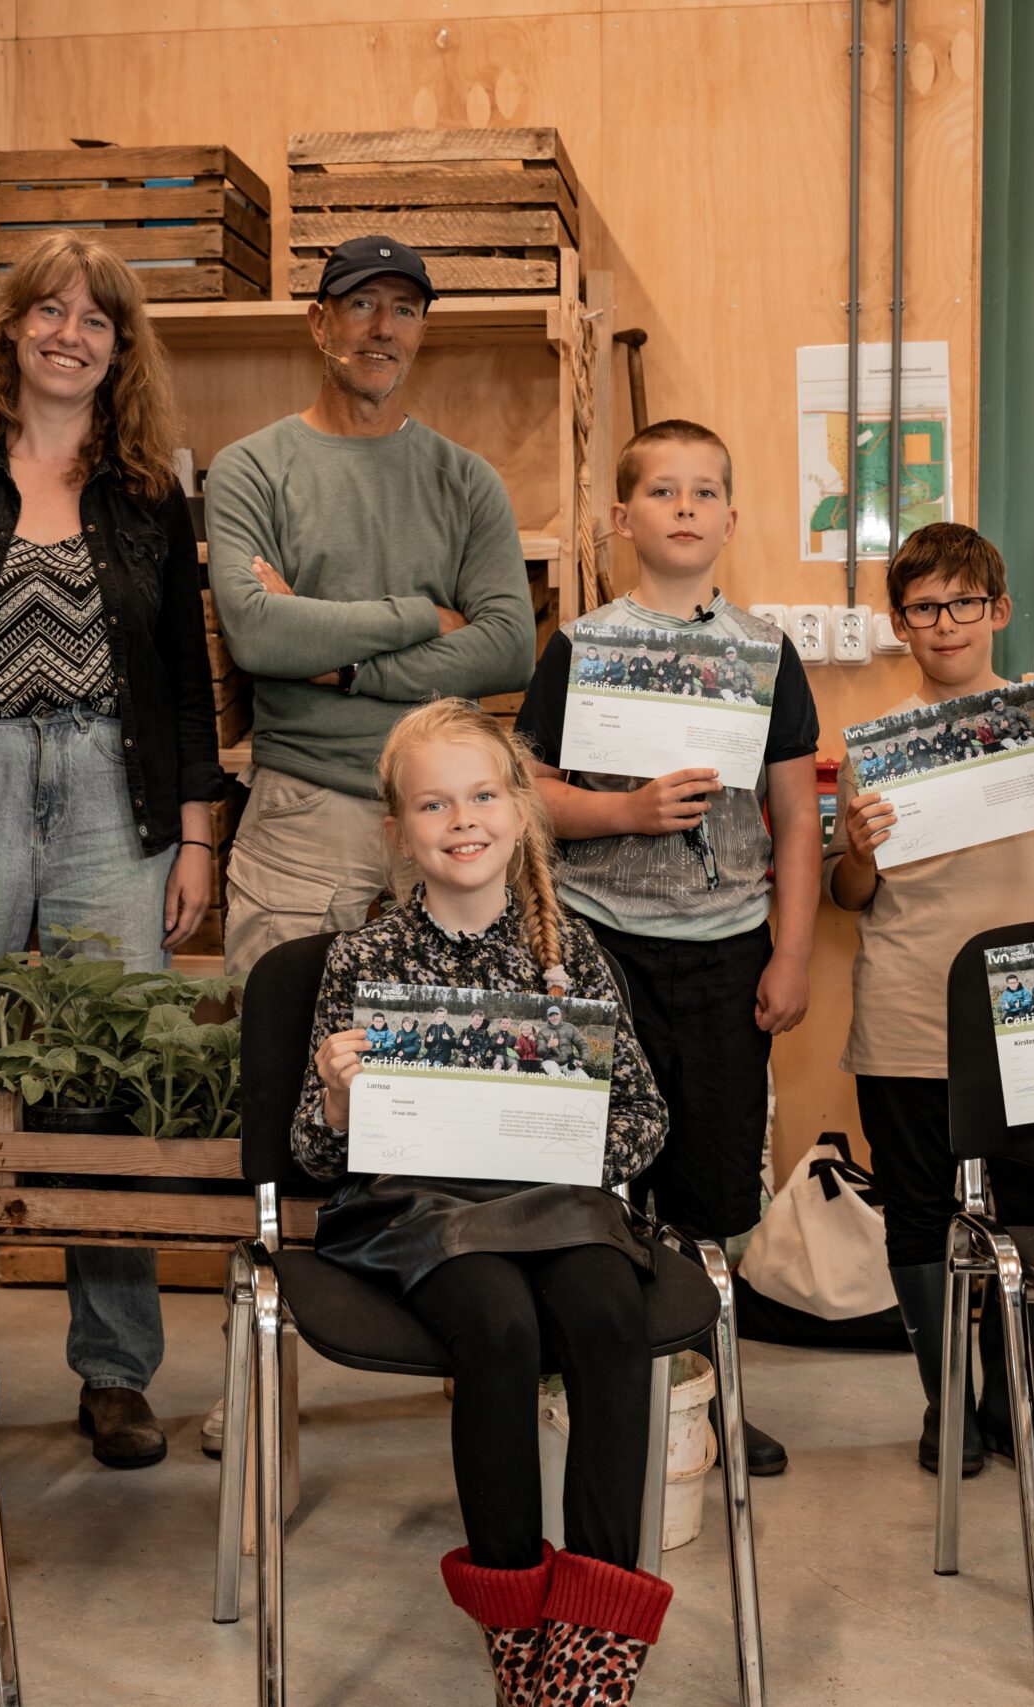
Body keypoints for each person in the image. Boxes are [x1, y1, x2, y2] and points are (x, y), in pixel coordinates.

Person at [0, 231, 220, 1473]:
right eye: (50, 311)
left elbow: (187, 680)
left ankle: (115, 1372)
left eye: (97, 319)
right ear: (11, 329)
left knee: (105, 1083)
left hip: (109, 799)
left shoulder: (147, 495)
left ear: (120, 350)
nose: (70, 333)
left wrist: (192, 841)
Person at [294, 697, 674, 1705]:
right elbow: (311, 1154)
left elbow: (643, 1118)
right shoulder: (360, 962)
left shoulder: (572, 956)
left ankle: (592, 1644)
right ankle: (515, 1634)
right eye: (431, 804)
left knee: (607, 1315)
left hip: (558, 1201)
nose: (460, 821)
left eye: (479, 796)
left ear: (519, 811)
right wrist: (336, 1097)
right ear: (398, 832)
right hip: (419, 1215)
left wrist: (561, 1119)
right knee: (498, 1329)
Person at [515, 418, 820, 1476]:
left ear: (732, 519)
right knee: (596, 1179)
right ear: (621, 518)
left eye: (705, 492)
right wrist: (626, 814)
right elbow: (531, 798)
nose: (685, 508)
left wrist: (790, 954)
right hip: (599, 947)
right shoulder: (582, 647)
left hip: (729, 953)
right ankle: (591, 1384)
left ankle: (707, 1392)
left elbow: (793, 818)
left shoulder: (763, 654)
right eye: (662, 492)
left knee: (712, 1190)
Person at [830, 523, 1034, 1480]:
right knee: (916, 1211)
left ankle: (1015, 1405)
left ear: (998, 611)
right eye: (924, 606)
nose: (945, 621)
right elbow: (852, 896)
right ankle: (945, 1406)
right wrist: (861, 850)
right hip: (908, 1004)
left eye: (964, 602)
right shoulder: (874, 745)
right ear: (900, 623)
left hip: (1031, 1013)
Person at [208, 236, 536, 983]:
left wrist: (344, 663)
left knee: (445, 1079)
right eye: (361, 305)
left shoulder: (468, 480)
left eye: (405, 311)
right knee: (282, 1064)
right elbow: (260, 634)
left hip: (448, 819)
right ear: (319, 323)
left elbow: (509, 648)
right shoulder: (251, 467)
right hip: (303, 817)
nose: (383, 329)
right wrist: (424, 613)